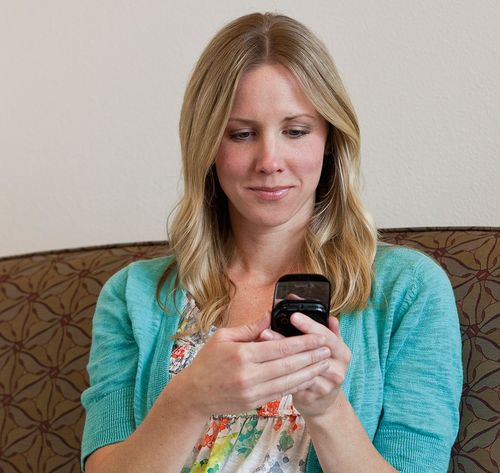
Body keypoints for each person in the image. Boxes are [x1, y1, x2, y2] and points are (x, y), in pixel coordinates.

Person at [81, 12, 462, 473]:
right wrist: (190, 398)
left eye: (296, 131)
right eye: (241, 134)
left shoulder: (410, 291)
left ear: (330, 141)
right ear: (206, 146)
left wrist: (326, 410)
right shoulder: (133, 295)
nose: (269, 160)